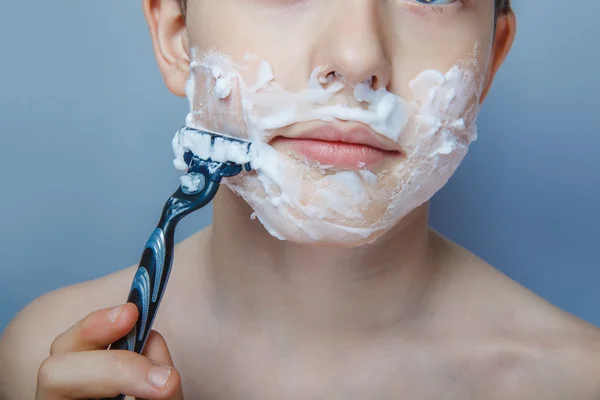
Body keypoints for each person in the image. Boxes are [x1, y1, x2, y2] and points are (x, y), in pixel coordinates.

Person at [1, 0, 599, 399]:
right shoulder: (44, 358)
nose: (358, 57)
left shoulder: (578, 381)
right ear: (178, 37)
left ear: (488, 65)